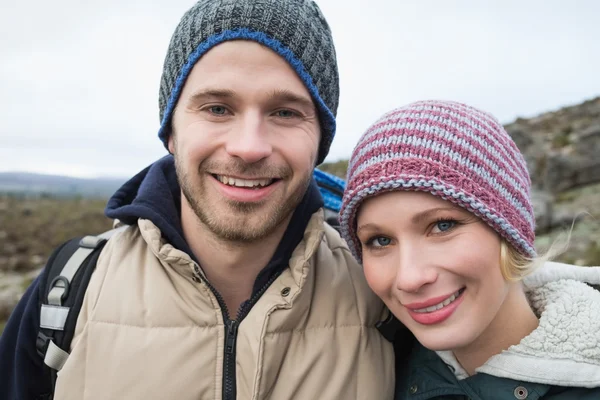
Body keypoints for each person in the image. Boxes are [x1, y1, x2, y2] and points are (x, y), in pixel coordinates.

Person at [0, 1, 395, 399]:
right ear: (170, 130)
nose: (249, 147)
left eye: (285, 113)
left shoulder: (385, 294)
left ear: (320, 143)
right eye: (218, 108)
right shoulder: (69, 293)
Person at [339, 100, 600, 399]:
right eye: (380, 241)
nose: (409, 278)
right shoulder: (373, 372)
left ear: (509, 229)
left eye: (443, 226)